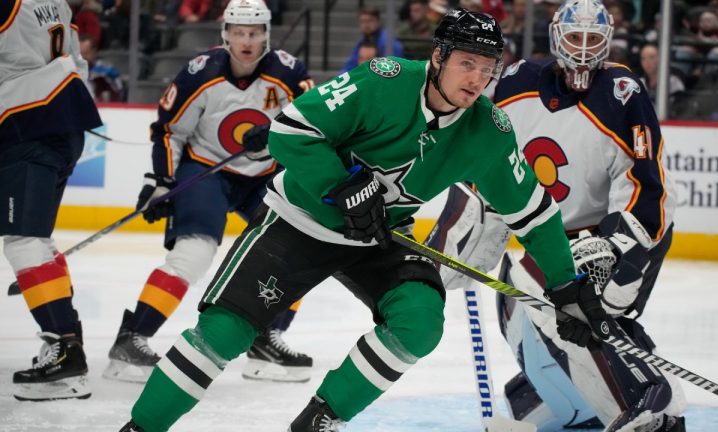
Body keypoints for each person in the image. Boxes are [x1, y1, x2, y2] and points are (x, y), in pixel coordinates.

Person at [120, 9, 611, 432]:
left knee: (419, 321)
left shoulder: (489, 130)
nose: (477, 80)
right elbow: (289, 131)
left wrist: (566, 287)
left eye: (487, 69)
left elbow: (534, 213)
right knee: (223, 333)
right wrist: (341, 184)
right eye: (466, 64)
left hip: (380, 234)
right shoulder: (385, 78)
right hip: (300, 221)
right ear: (438, 57)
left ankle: (321, 418)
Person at [428, 0, 686, 431]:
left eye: (592, 39)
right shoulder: (516, 83)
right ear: (556, 38)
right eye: (574, 38)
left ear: (607, 42)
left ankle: (648, 405)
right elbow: (482, 168)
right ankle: (567, 411)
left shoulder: (622, 93)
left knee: (553, 288)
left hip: (613, 239)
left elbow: (650, 188)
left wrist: (618, 249)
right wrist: (441, 258)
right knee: (516, 302)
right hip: (545, 239)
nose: (583, 50)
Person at [103, 0, 316, 385]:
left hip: (262, 177)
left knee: (297, 248)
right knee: (194, 254)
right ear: (225, 34)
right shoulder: (200, 74)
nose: (247, 41)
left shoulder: (288, 72)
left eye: (254, 33)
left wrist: (276, 133)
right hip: (206, 171)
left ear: (267, 34)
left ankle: (267, 338)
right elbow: (170, 131)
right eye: (239, 32)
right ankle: (132, 339)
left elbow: (313, 123)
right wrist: (162, 181)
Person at [0, 0, 102, 400]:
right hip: (61, 119)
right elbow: (78, 60)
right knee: (36, 239)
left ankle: (63, 347)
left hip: (26, 123)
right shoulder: (54, 1)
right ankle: (66, 346)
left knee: (24, 240)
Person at [340, 6, 404, 73]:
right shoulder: (361, 41)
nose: (366, 25)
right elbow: (350, 66)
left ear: (378, 22)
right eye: (362, 21)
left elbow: (394, 70)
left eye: (370, 21)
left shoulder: (389, 43)